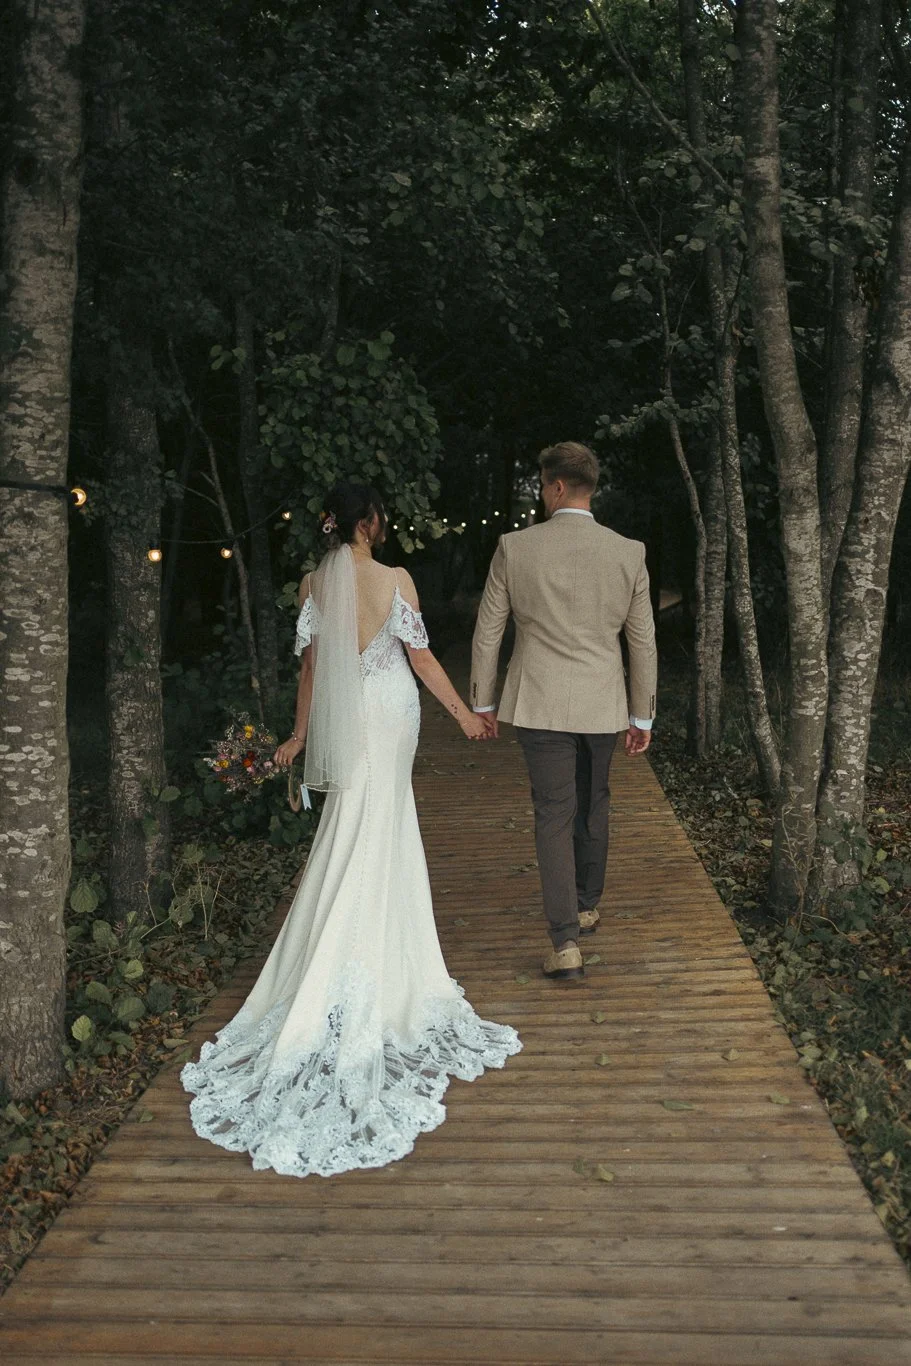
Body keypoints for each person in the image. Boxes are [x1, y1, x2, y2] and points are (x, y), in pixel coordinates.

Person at [181, 482, 521, 1177]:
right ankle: (371, 960)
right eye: (380, 514)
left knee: (357, 823)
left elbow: (310, 666)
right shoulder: (396, 578)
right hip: (391, 711)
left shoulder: (316, 579)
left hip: (346, 715)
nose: (383, 523)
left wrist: (301, 735)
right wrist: (463, 717)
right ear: (366, 521)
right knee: (378, 822)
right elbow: (419, 658)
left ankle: (350, 944)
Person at [470, 442, 657, 980]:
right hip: (603, 701)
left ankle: (565, 943)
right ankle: (585, 903)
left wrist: (483, 701)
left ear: (554, 486)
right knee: (594, 800)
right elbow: (641, 642)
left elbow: (489, 629)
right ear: (589, 487)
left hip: (540, 701)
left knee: (554, 812)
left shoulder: (514, 548)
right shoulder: (628, 552)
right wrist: (641, 715)